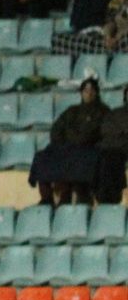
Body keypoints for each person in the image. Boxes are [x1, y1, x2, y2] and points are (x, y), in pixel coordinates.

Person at [31, 78, 109, 206]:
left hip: (88, 151)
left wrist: (72, 138)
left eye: (91, 90)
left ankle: (78, 196)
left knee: (77, 160)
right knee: (41, 157)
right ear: (81, 93)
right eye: (85, 90)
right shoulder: (72, 110)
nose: (88, 93)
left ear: (97, 93)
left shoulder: (103, 111)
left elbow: (92, 134)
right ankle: (47, 198)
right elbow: (56, 130)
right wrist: (62, 144)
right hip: (65, 148)